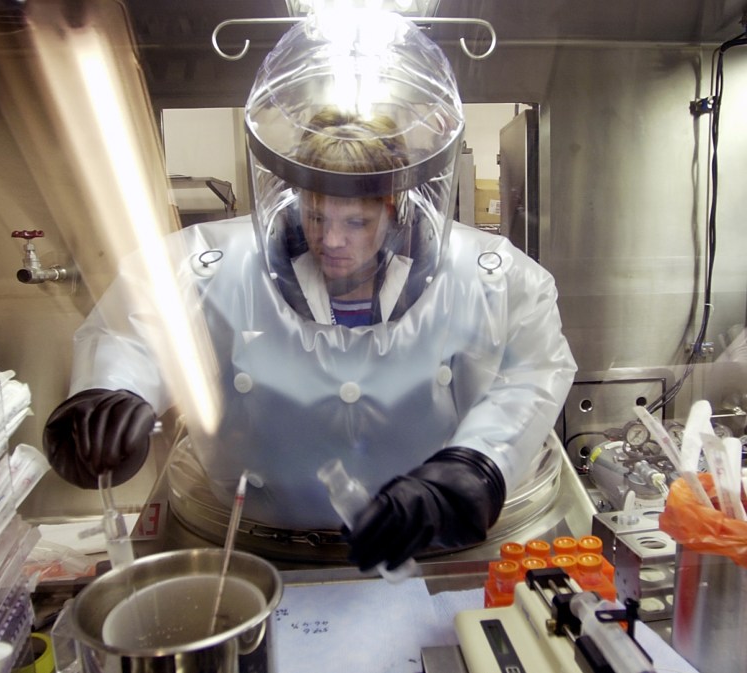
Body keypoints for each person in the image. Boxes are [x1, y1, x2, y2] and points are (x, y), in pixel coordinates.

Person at [43, 10, 576, 573]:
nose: (332, 241)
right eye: (316, 216)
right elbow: (137, 327)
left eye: (356, 223)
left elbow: (534, 370)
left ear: (393, 211)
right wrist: (109, 394)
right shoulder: (210, 265)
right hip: (250, 546)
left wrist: (476, 465)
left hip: (431, 549)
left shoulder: (490, 277)